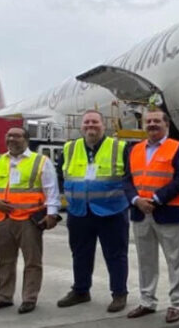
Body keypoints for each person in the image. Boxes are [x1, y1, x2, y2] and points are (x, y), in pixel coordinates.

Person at [0, 127, 61, 314]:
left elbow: (51, 190)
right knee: (4, 261)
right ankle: (4, 297)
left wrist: (52, 214)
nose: (12, 139)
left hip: (29, 220)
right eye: (9, 136)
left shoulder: (40, 161)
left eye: (17, 136)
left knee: (32, 261)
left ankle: (29, 298)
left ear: (26, 140)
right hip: (1, 218)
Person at [56, 109, 131, 313]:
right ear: (81, 126)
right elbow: (60, 174)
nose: (91, 126)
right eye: (87, 122)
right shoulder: (70, 148)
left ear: (103, 125)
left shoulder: (120, 147)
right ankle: (81, 290)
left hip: (112, 212)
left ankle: (119, 293)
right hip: (79, 212)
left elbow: (130, 178)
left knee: (116, 255)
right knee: (80, 254)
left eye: (95, 122)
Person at [125, 109, 179, 324]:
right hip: (139, 213)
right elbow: (127, 180)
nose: (152, 124)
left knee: (175, 261)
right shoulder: (134, 149)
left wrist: (155, 199)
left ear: (166, 124)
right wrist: (136, 200)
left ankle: (176, 304)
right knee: (146, 261)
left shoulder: (178, 148)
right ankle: (147, 301)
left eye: (156, 121)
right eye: (148, 121)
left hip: (167, 212)